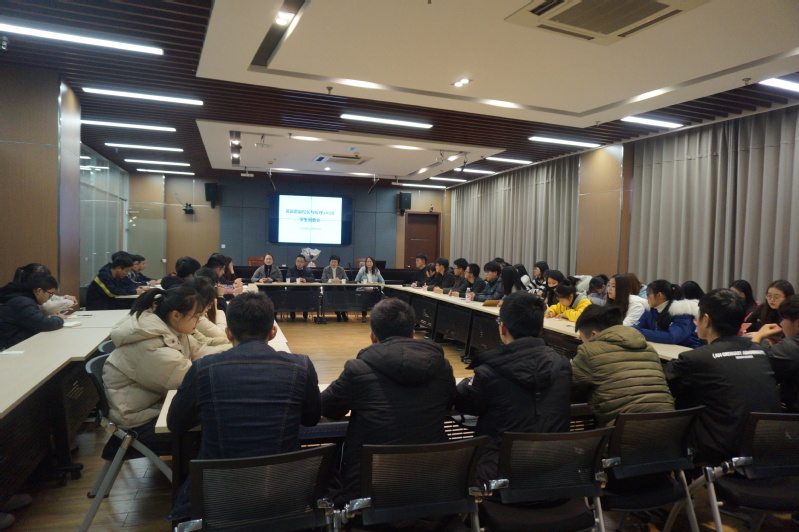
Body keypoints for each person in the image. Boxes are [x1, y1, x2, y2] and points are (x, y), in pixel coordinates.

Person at [167, 292, 321, 520]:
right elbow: (311, 419)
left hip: (218, 496)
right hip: (285, 493)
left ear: (228, 333)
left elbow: (176, 423)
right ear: (273, 332)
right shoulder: (301, 366)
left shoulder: (202, 369)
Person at [321, 298, 455, 504]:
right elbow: (451, 403)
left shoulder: (357, 370)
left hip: (368, 491)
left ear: (372, 336)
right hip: (431, 486)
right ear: (412, 334)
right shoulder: (443, 368)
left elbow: (327, 407)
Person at [454, 292, 571, 481]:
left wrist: (468, 382)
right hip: (554, 470)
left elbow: (466, 404)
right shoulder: (563, 366)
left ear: (502, 327)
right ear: (540, 327)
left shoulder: (490, 372)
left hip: (499, 474)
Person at [102, 281, 221, 460]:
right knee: (214, 424)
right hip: (138, 422)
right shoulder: (149, 344)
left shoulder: (172, 330)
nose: (198, 321)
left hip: (155, 407)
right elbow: (186, 378)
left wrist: (233, 357)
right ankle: (191, 477)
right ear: (176, 315)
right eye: (197, 317)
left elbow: (200, 352)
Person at [664, 289, 781, 464]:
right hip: (768, 450)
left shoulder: (695, 359)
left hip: (721, 452)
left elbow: (661, 383)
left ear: (706, 319)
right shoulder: (762, 352)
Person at [572, 305, 674, 427]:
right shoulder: (649, 349)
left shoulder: (589, 351)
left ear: (594, 335)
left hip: (625, 432)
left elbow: (569, 389)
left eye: (582, 339)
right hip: (670, 427)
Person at [752, 294, 799, 412]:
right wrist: (776, 346)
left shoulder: (790, 347)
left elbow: (752, 370)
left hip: (791, 417)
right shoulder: (788, 348)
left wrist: (758, 337)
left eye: (784, 319)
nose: (781, 324)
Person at [0, 273, 65, 350]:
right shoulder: (23, 302)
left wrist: (53, 318)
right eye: (50, 294)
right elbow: (42, 324)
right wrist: (59, 319)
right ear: (39, 291)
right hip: (8, 348)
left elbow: (36, 320)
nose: (49, 298)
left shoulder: (23, 298)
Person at [633, 280, 701, 348]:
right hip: (663, 348)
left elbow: (672, 338)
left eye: (648, 294)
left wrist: (640, 332)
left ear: (659, 295)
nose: (646, 298)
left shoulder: (682, 311)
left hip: (687, 349)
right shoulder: (650, 309)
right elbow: (636, 327)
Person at [748, 280, 796, 345]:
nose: (772, 300)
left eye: (776, 297)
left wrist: (760, 335)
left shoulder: (791, 313)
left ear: (787, 298)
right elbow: (748, 325)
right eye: (769, 296)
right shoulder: (762, 308)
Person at [286, 255, 315, 320]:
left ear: (304, 263)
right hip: (293, 289)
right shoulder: (291, 269)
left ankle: (305, 312)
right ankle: (292, 313)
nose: (299, 263)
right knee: (290, 295)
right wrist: (298, 279)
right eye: (298, 261)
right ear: (295, 261)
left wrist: (305, 279)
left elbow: (312, 278)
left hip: (305, 289)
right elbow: (288, 278)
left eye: (301, 261)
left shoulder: (308, 270)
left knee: (308, 295)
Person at [321, 255, 349, 321]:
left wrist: (340, 280)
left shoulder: (341, 269)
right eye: (332, 261)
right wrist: (332, 280)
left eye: (335, 262)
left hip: (340, 288)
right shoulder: (326, 269)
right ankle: (338, 314)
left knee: (342, 296)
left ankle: (343, 313)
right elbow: (323, 279)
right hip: (329, 289)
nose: (333, 263)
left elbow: (346, 279)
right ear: (329, 262)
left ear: (338, 263)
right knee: (335, 296)